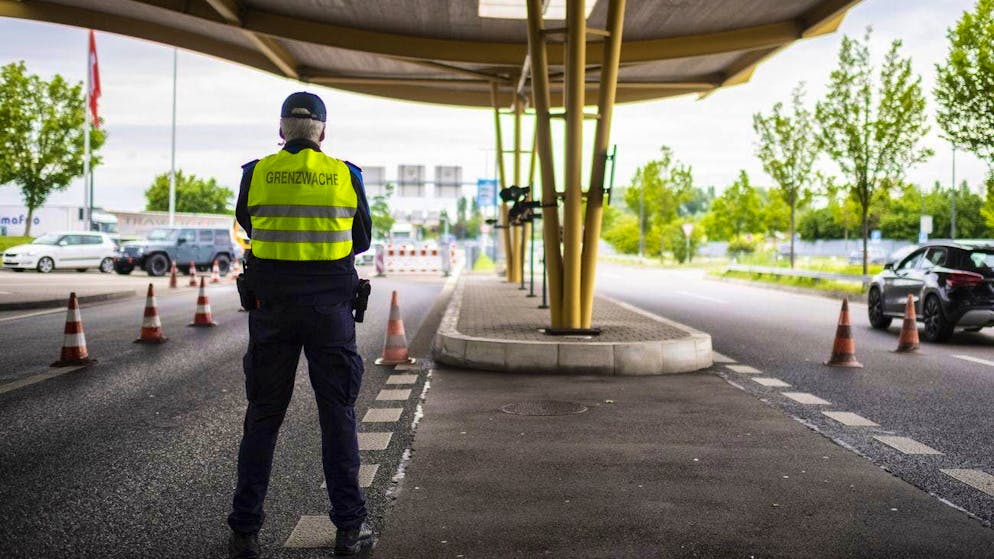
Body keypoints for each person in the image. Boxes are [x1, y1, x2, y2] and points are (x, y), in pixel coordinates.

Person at [227, 92, 374, 558]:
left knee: (263, 417)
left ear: (281, 130)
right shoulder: (346, 175)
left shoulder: (256, 174)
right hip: (329, 311)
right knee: (337, 416)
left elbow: (247, 223)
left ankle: (245, 531)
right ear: (323, 133)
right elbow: (363, 238)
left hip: (271, 309)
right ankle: (349, 530)